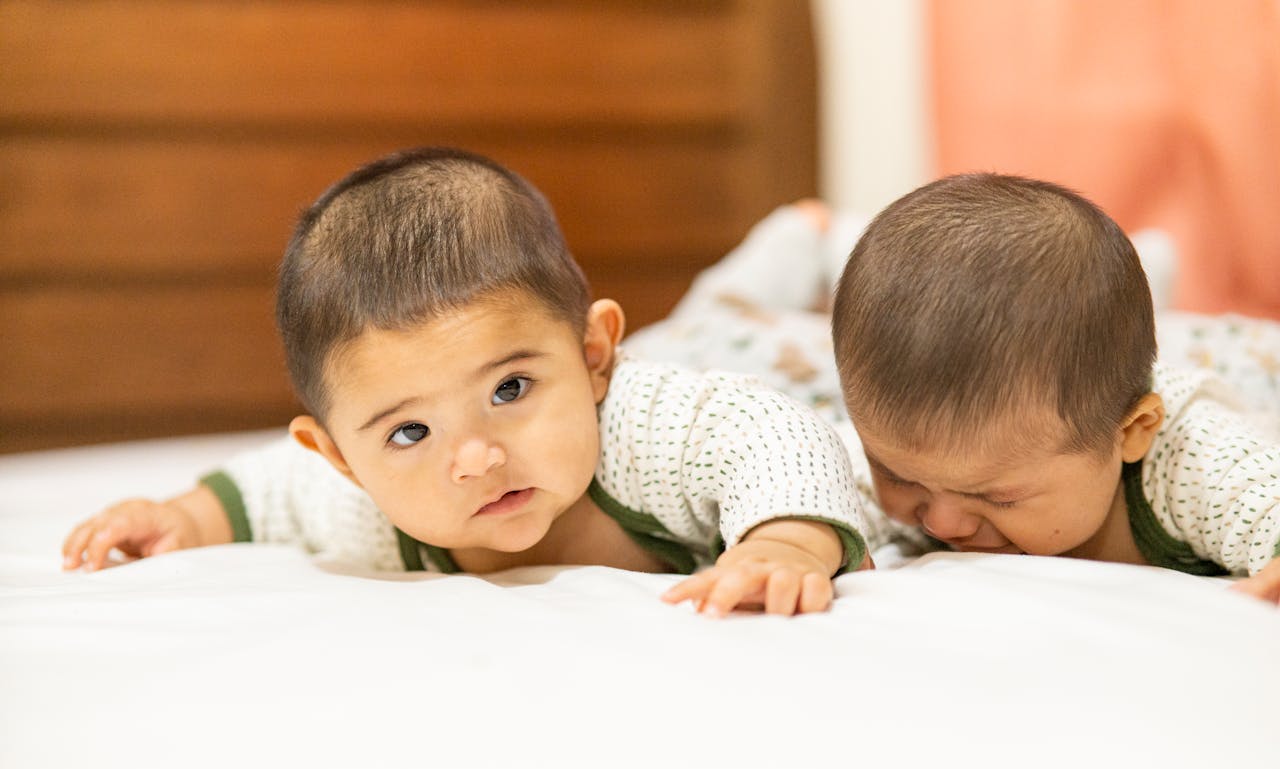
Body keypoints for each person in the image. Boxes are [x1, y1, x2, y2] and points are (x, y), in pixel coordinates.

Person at [61, 147, 872, 617]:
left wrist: (783, 539)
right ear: (340, 456)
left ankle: (813, 241)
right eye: (410, 432)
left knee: (800, 332)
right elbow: (266, 492)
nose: (476, 458)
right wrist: (177, 516)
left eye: (510, 390)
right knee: (703, 315)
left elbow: (774, 433)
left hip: (765, 365)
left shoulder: (648, 425)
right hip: (666, 345)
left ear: (594, 358)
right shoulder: (363, 501)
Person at [629, 174, 1280, 604]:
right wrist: (787, 543)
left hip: (1227, 355)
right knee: (716, 332)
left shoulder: (1194, 457)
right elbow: (809, 488)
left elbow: (1263, 500)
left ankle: (1149, 267)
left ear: (1130, 433)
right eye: (899, 474)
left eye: (994, 494)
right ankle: (807, 239)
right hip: (794, 355)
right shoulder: (924, 451)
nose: (939, 520)